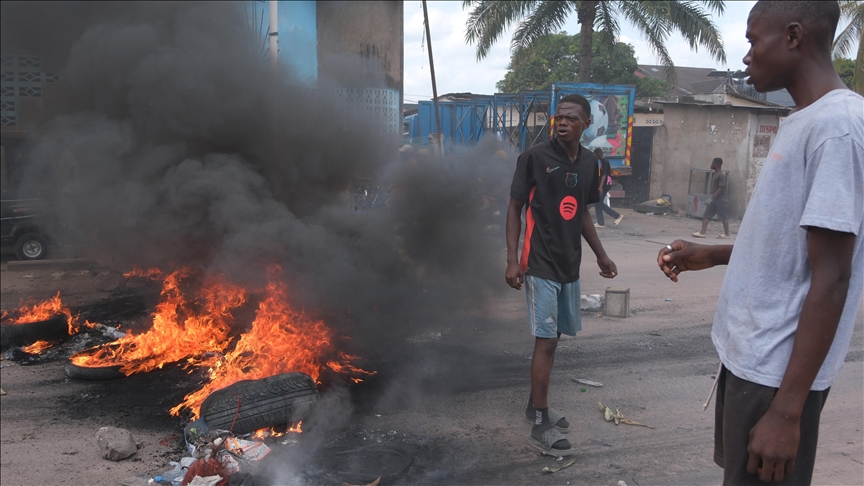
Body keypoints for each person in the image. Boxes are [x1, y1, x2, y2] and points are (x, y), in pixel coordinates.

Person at [657, 2, 863, 484]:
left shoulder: (838, 128)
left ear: (793, 36)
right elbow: (794, 246)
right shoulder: (806, 120)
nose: (746, 56)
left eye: (753, 40)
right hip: (754, 362)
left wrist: (787, 413)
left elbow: (832, 277)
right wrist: (712, 255)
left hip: (777, 376)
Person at [506, 94, 618, 457]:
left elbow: (584, 212)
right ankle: (540, 425)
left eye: (571, 118)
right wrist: (512, 259)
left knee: (553, 336)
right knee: (546, 342)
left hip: (570, 266)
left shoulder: (590, 164)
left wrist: (601, 255)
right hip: (539, 264)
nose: (563, 122)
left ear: (586, 124)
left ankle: (533, 406)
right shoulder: (534, 158)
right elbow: (515, 208)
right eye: (559, 117)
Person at [692, 158, 730, 238]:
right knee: (706, 215)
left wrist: (711, 198)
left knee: (723, 216)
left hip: (721, 200)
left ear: (717, 164)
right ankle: (702, 232)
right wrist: (712, 199)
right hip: (714, 200)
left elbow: (721, 188)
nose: (711, 165)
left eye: (713, 163)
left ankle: (726, 234)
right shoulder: (715, 174)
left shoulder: (721, 175)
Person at [592, 148, 624, 228]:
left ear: (599, 154)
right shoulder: (602, 162)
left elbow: (604, 175)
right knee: (597, 203)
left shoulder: (605, 162)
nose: (595, 157)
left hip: (605, 184)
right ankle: (600, 223)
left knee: (599, 203)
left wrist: (601, 186)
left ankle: (617, 216)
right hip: (604, 184)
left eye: (596, 155)